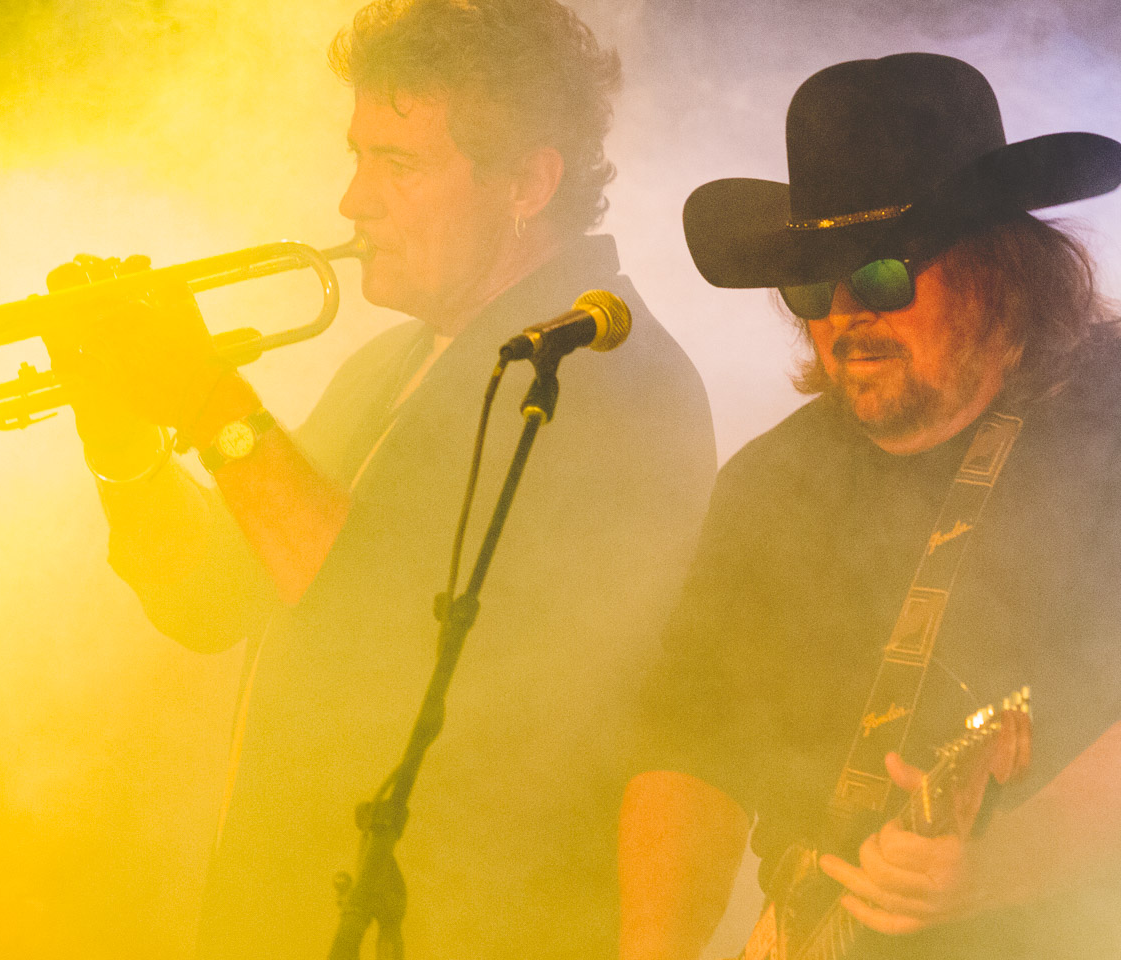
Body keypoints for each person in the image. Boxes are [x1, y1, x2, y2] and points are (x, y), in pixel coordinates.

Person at [48, 1, 715, 957]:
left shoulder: (612, 376)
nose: (354, 201)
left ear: (528, 181)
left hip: (464, 927)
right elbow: (209, 599)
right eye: (358, 155)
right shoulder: (390, 365)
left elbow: (396, 636)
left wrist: (206, 400)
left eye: (398, 164)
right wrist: (121, 439)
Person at [620, 53, 1121, 960]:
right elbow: (691, 738)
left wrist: (990, 873)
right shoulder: (771, 483)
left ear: (997, 264)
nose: (843, 314)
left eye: (880, 275)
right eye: (811, 284)